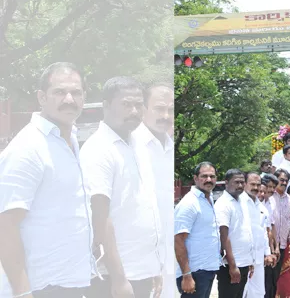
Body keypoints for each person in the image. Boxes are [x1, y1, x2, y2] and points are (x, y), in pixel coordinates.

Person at [0, 62, 94, 298]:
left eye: (76, 92)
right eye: (60, 92)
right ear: (41, 97)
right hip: (41, 287)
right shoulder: (28, 148)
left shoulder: (70, 139)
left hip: (70, 283)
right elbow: (5, 225)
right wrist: (23, 293)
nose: (69, 99)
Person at [81, 77, 162, 298]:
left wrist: (154, 267)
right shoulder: (98, 149)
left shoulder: (138, 145)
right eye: (126, 104)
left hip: (140, 271)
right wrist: (118, 279)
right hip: (115, 278)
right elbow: (100, 216)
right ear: (106, 105)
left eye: (138, 105)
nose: (134, 111)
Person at [132, 82, 174, 298]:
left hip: (166, 258)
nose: (165, 115)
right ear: (143, 109)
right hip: (138, 262)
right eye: (159, 108)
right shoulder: (130, 145)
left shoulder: (169, 146)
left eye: (170, 109)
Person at [174, 162, 221, 298]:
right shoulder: (189, 204)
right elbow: (178, 241)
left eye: (212, 176)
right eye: (204, 176)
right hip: (194, 272)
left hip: (207, 270)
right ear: (195, 178)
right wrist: (186, 275)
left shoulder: (208, 198)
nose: (208, 180)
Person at [214, 169, 255, 298]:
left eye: (242, 182)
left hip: (243, 262)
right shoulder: (223, 204)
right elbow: (223, 236)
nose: (240, 186)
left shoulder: (242, 201)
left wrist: (250, 260)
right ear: (226, 182)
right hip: (230, 265)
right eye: (236, 182)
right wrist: (232, 266)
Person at [243, 172, 274, 298]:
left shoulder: (261, 207)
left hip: (259, 257)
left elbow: (264, 232)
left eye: (258, 184)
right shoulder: (240, 203)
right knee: (242, 292)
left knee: (258, 293)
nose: (255, 187)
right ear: (245, 184)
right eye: (252, 184)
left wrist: (267, 253)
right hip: (243, 258)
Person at [268, 169, 290, 298]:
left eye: (286, 180)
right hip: (269, 245)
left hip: (283, 244)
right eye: (281, 179)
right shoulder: (269, 196)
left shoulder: (288, 198)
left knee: (275, 278)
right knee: (267, 277)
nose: (284, 182)